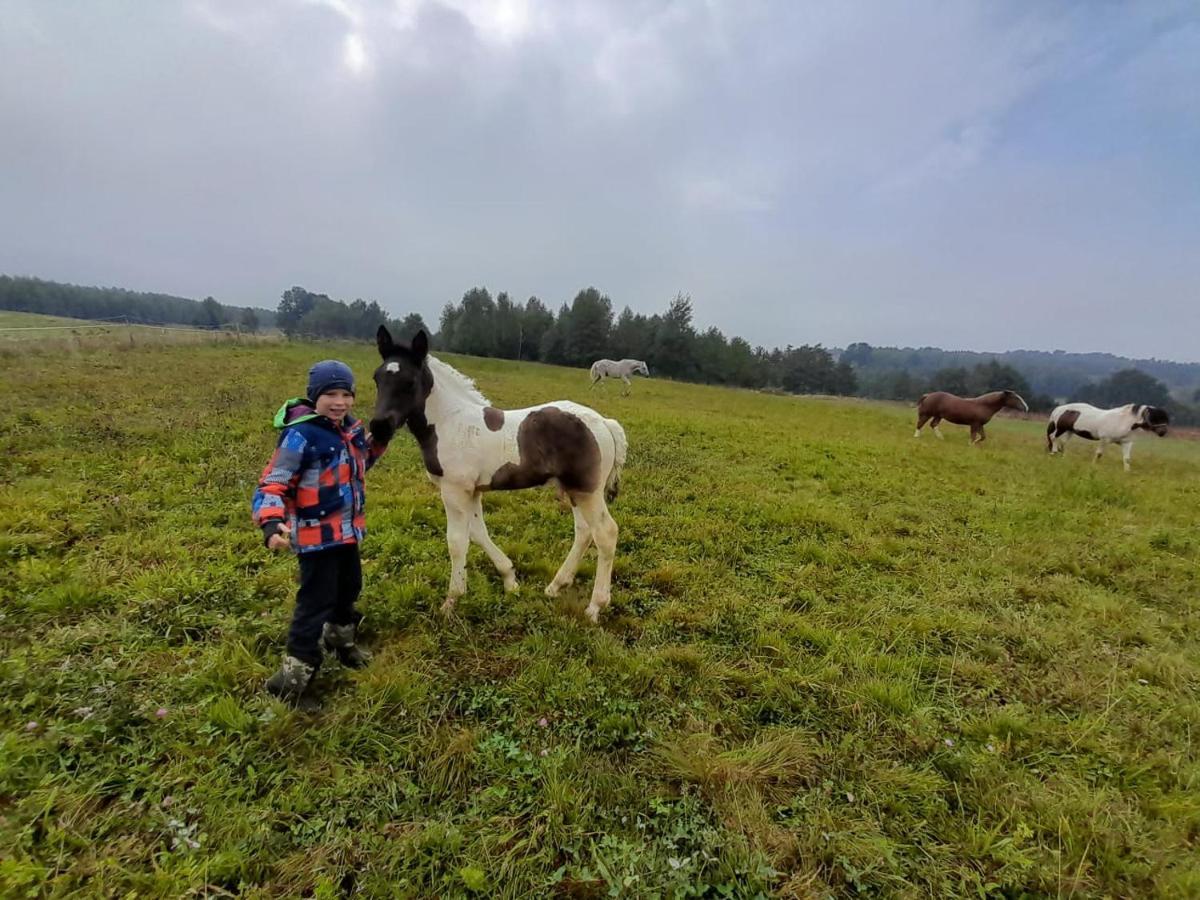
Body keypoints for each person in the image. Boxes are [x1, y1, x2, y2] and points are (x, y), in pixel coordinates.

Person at [251, 359, 388, 707]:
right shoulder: (301, 434)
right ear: (315, 397)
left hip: (346, 534)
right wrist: (270, 522)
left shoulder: (350, 429)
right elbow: (274, 482)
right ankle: (291, 682)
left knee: (348, 589)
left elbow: (360, 465)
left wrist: (378, 440)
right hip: (315, 540)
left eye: (346, 394)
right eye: (330, 394)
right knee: (314, 604)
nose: (339, 402)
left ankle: (341, 642)